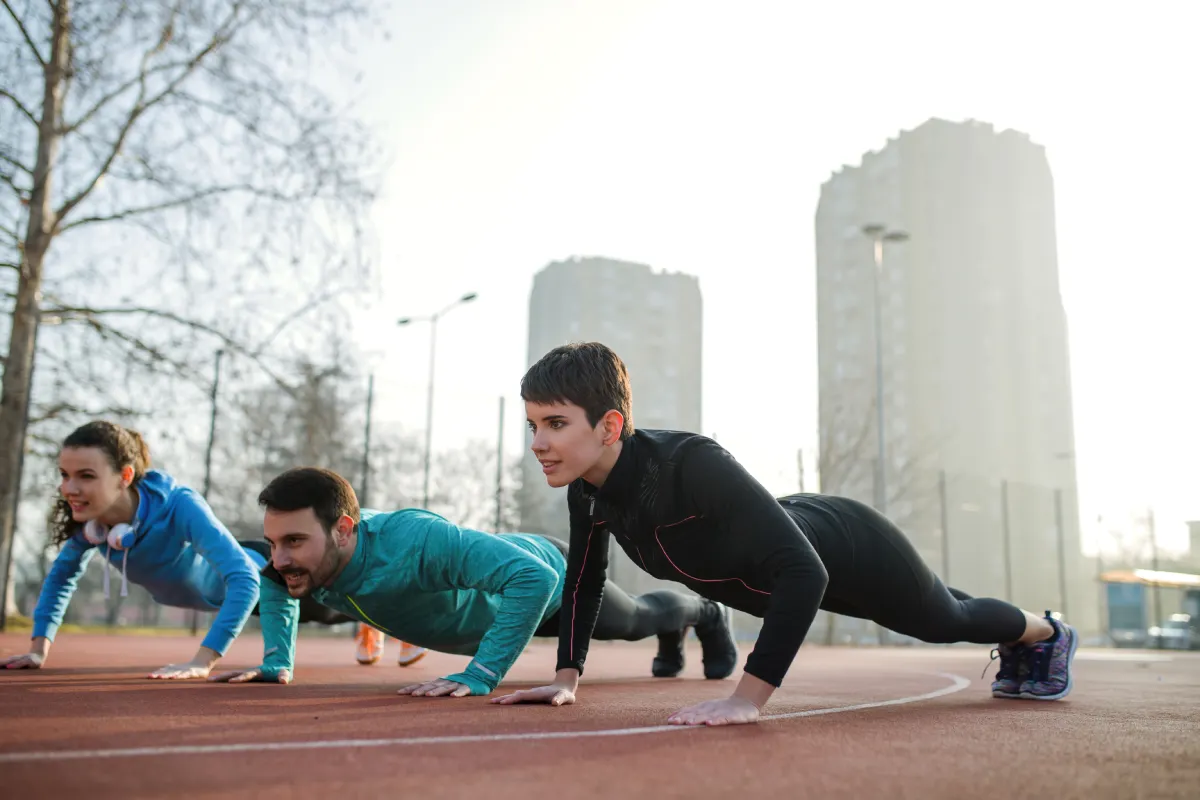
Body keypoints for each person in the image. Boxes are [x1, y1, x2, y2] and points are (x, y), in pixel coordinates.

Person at [491, 342, 1080, 726]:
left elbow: (805, 571)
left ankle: (1047, 631)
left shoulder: (690, 463)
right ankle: (1032, 633)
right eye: (532, 425)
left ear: (610, 425)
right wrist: (565, 679)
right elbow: (583, 585)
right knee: (949, 608)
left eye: (556, 424)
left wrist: (746, 700)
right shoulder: (587, 494)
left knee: (943, 620)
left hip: (846, 544)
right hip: (790, 565)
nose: (538, 443)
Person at [209, 466, 736, 694]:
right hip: (499, 604)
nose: (279, 559)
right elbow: (275, 589)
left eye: (294, 542)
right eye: (274, 542)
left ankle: (706, 614)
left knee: (634, 622)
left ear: (344, 530)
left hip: (546, 580)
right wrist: (277, 663)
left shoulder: (414, 542)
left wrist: (482, 672)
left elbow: (528, 577)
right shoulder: (300, 564)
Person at [0, 421, 357, 678]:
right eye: (64, 474)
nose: (70, 488)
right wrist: (37, 649)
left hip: (266, 572)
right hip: (224, 593)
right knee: (332, 608)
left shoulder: (178, 505)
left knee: (332, 609)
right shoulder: (92, 527)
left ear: (125, 476)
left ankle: (374, 618)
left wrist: (203, 659)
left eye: (86, 476)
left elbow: (246, 579)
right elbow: (60, 578)